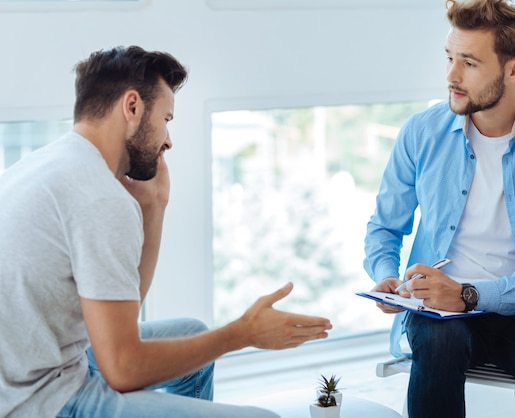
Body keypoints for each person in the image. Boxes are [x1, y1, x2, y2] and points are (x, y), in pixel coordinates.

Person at [0, 46, 332, 418]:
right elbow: (123, 367)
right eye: (166, 118)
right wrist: (243, 333)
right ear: (132, 107)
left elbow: (122, 308)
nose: (168, 140)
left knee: (191, 331)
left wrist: (154, 206)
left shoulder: (50, 164)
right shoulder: (98, 196)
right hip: (39, 400)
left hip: (33, 370)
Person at [364, 1, 515, 417]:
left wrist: (469, 295)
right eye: (450, 58)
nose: (451, 76)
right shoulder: (422, 132)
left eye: (469, 63)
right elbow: (384, 226)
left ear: (514, 69)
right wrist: (385, 275)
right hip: (438, 308)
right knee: (438, 344)